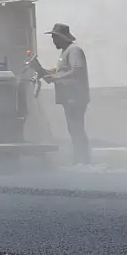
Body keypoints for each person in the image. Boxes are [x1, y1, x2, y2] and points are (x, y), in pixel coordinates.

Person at [43, 23, 91, 166]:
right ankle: (80, 158)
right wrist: (46, 72)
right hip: (68, 96)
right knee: (73, 128)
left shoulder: (74, 50)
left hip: (75, 96)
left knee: (76, 128)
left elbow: (77, 69)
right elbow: (63, 70)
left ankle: (83, 159)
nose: (53, 41)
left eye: (54, 37)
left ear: (61, 37)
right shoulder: (64, 52)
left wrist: (56, 78)